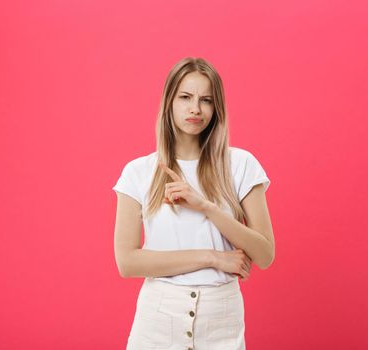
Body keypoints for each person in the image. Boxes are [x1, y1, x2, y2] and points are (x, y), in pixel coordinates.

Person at [112, 57, 275, 350]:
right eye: (185, 97)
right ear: (169, 103)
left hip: (222, 318)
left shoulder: (240, 164)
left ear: (216, 108)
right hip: (158, 319)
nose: (195, 109)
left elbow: (264, 254)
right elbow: (127, 262)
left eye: (206, 100)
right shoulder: (138, 172)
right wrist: (213, 257)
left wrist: (205, 206)